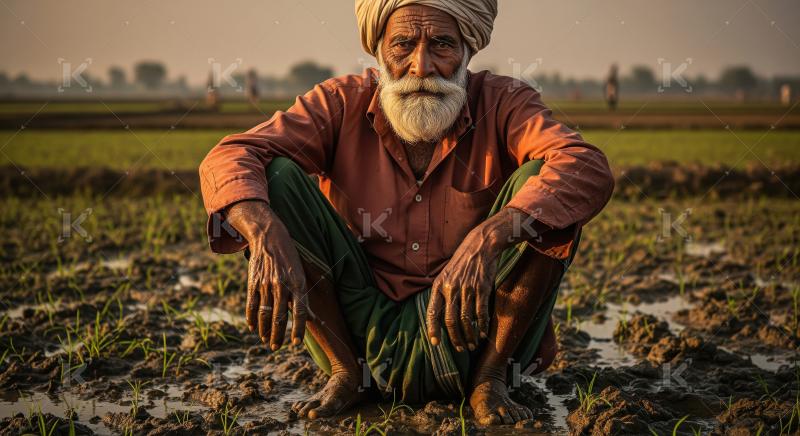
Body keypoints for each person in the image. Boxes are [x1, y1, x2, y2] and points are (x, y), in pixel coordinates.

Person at [199, 0, 614, 425]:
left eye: (441, 44)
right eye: (403, 45)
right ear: (378, 51)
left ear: (468, 48)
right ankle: (346, 374)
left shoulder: (504, 101)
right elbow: (231, 155)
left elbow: (585, 166)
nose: (422, 65)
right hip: (360, 330)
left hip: (476, 327)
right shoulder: (341, 102)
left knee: (541, 186)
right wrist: (264, 232)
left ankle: (490, 379)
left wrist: (489, 237)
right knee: (277, 177)